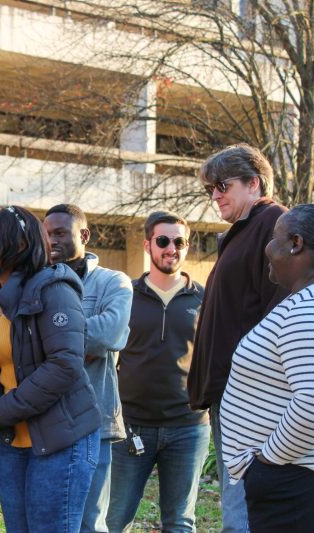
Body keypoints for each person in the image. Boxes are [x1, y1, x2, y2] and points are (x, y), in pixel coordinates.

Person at [220, 204, 314, 532]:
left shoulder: (312, 309)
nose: (267, 249)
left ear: (295, 243)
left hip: (300, 480)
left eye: (274, 238)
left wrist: (269, 458)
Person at [0, 205, 101, 533]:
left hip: (61, 440)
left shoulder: (53, 289)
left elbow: (64, 365)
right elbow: (4, 368)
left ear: (18, 244)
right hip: (16, 442)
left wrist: (0, 413)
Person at [187, 143, 288, 532]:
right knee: (237, 503)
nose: (215, 195)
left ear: (254, 183)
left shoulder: (276, 227)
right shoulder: (244, 233)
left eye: (222, 185)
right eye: (210, 188)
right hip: (232, 395)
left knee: (242, 511)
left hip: (252, 397)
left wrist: (247, 378)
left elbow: (280, 314)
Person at [106, 211, 209, 533]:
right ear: (147, 244)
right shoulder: (125, 295)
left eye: (179, 242)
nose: (171, 248)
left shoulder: (204, 299)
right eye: (163, 241)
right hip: (131, 426)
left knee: (179, 522)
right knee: (114, 518)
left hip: (188, 427)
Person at [43, 203, 132, 533]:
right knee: (48, 519)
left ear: (84, 235)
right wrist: (77, 340)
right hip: (44, 420)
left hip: (95, 421)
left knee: (90, 523)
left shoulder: (114, 282)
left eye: (60, 233)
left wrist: (53, 338)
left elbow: (109, 333)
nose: (51, 240)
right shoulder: (38, 281)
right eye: (47, 233)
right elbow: (20, 341)